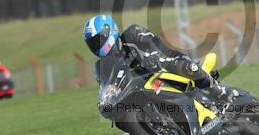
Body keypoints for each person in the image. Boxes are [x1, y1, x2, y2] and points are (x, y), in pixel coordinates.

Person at [83, 15, 237, 102]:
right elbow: (108, 85)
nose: (97, 45)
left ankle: (217, 90)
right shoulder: (104, 65)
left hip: (164, 62)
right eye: (92, 43)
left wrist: (152, 56)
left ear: (108, 31)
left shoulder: (131, 33)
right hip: (146, 86)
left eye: (98, 40)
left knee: (177, 64)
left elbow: (154, 44)